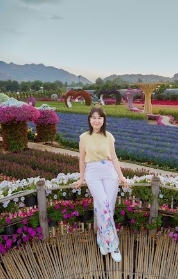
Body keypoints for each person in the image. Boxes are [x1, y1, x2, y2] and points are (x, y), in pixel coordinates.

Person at [74, 107, 128, 263]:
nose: (96, 120)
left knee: (106, 209)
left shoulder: (109, 137)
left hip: (109, 173)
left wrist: (121, 176)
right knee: (104, 205)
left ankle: (102, 240)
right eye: (93, 117)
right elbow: (82, 159)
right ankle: (114, 245)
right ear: (89, 120)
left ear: (103, 120)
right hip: (93, 173)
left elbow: (115, 158)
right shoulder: (84, 137)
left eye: (99, 117)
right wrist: (81, 178)